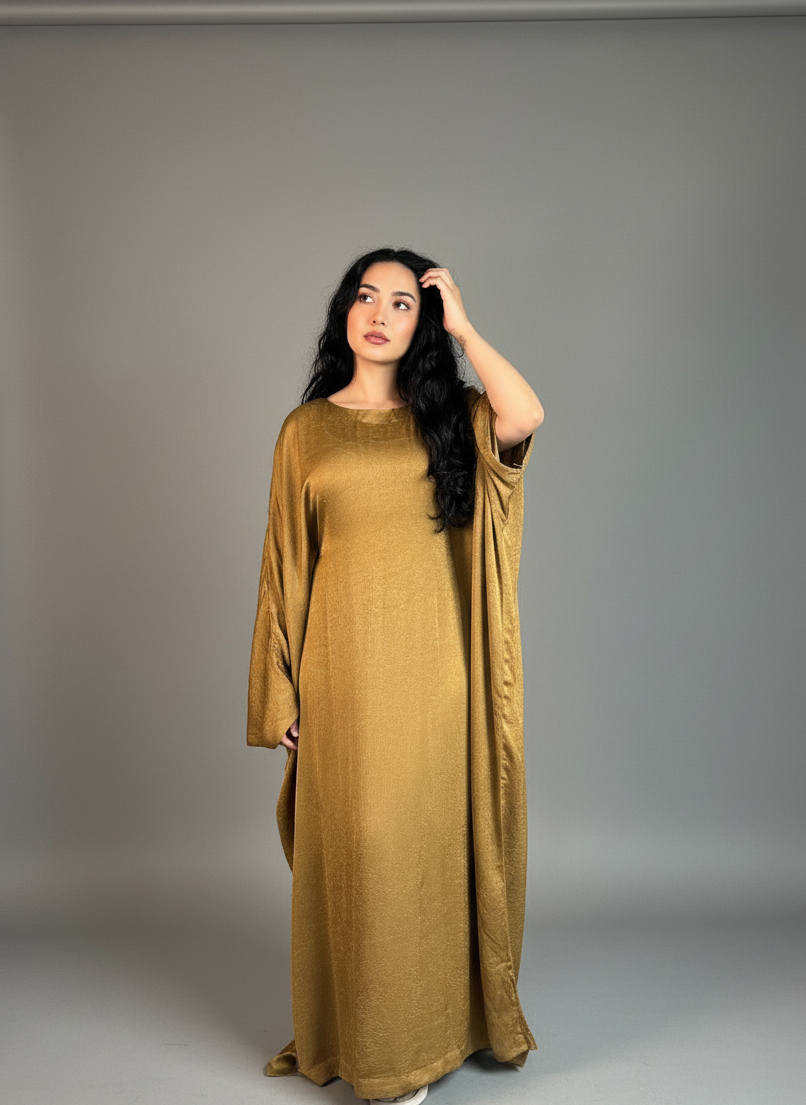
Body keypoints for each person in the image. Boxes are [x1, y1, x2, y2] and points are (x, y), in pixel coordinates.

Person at [247, 247, 544, 1104]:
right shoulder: (304, 432)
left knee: (428, 856)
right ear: (345, 310)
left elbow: (526, 413)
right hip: (345, 679)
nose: (379, 313)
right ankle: (380, 1047)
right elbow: (281, 568)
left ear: (425, 324)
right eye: (366, 296)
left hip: (439, 682)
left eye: (404, 303)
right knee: (367, 854)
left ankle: (438, 1031)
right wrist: (282, 692)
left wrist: (466, 325)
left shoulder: (451, 416)